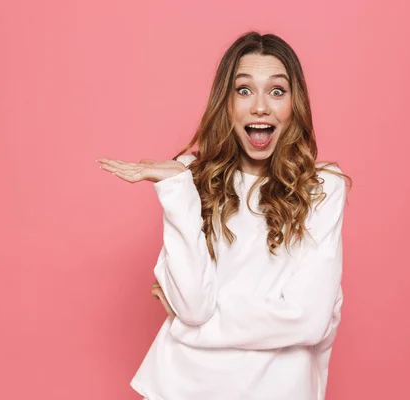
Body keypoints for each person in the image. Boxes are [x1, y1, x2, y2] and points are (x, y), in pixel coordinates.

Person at [97, 31, 350, 400]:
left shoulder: (322, 188)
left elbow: (307, 319)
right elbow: (194, 306)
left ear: (295, 104)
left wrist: (190, 328)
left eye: (277, 91)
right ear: (226, 103)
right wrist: (176, 190)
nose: (260, 107)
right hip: (184, 386)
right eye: (244, 90)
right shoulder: (191, 178)